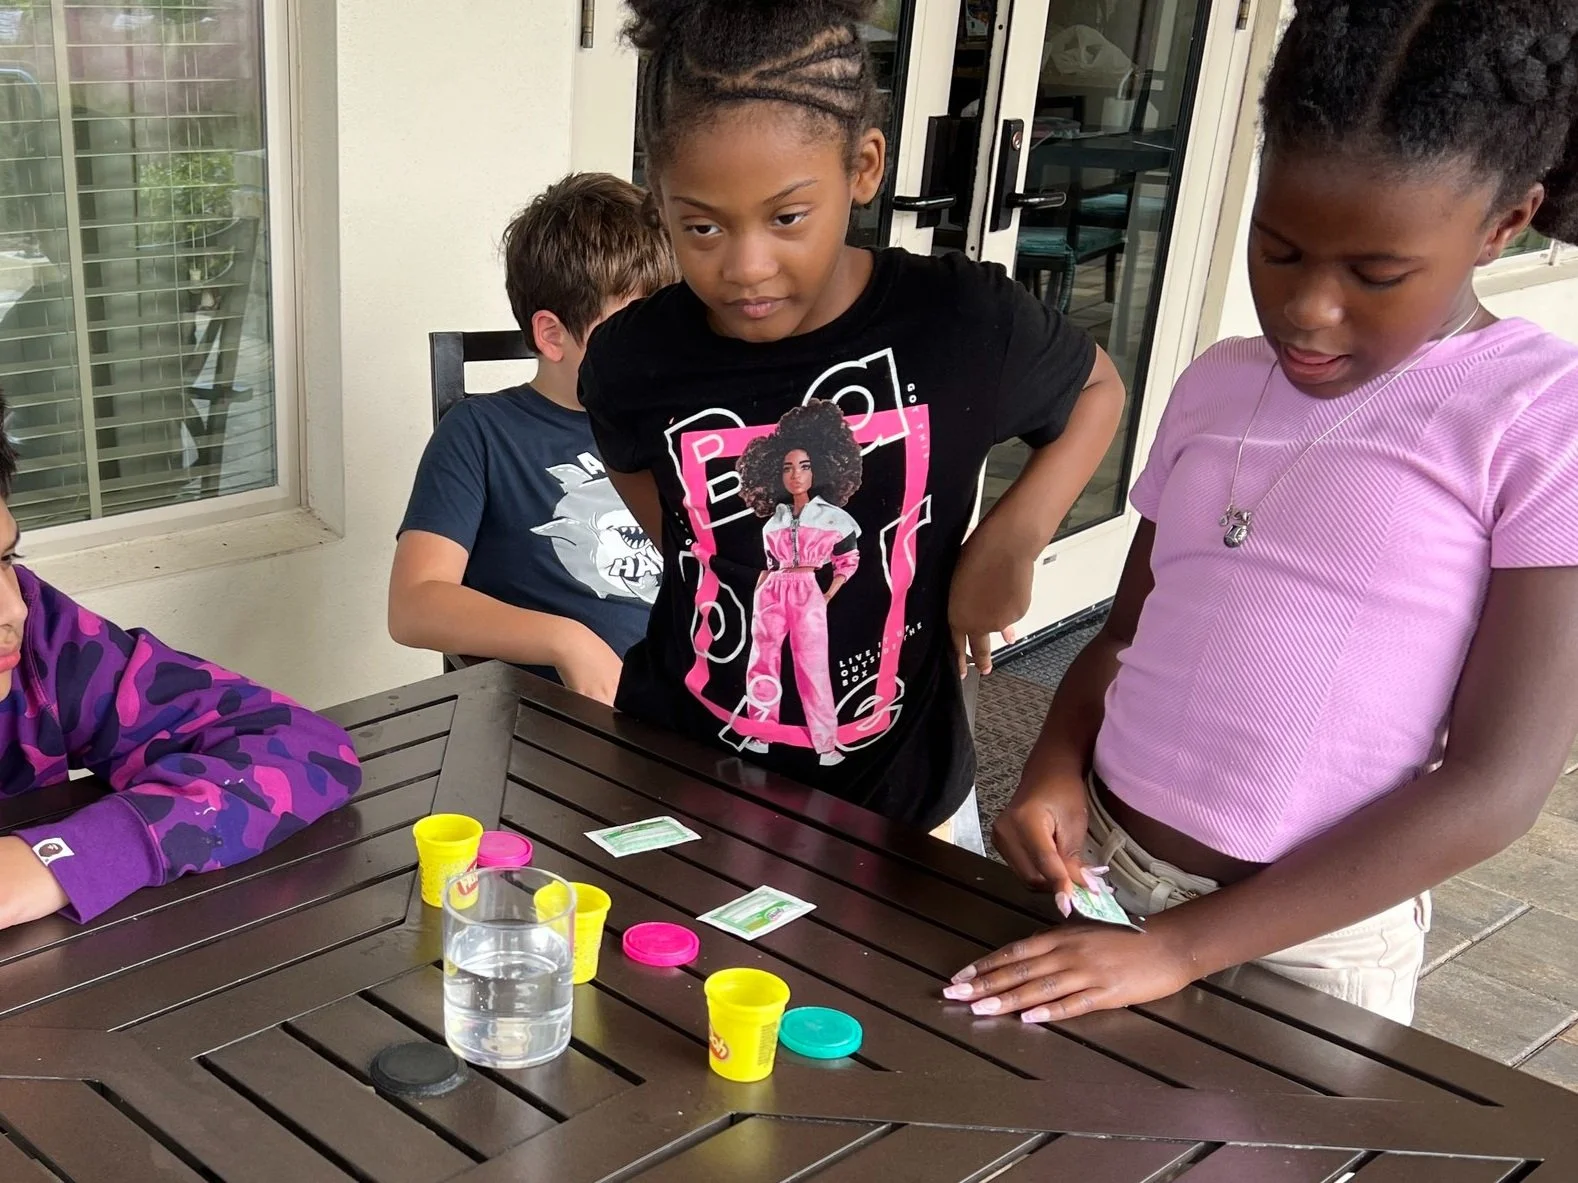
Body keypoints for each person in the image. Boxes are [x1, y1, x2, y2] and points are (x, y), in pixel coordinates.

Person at [952, 0, 1578, 1025]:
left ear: (1504, 225)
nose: (1307, 308)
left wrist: (1179, 948)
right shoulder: (1215, 383)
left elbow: (1495, 784)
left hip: (1310, 947)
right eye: (1279, 250)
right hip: (1101, 876)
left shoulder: (1541, 419)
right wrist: (1054, 768)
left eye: (1376, 275)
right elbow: (1121, 639)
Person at [579, 1, 1126, 845]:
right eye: (701, 227)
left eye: (787, 217)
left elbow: (1099, 389)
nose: (747, 265)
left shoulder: (961, 321)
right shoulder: (631, 358)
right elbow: (647, 477)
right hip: (678, 778)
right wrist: (706, 548)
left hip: (901, 802)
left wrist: (1011, 539)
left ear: (863, 166)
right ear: (659, 199)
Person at [0, 393, 362, 930]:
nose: (13, 609)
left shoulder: (44, 643)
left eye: (7, 558)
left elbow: (309, 749)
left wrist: (59, 859)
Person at [389, 172, 677, 705]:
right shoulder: (482, 434)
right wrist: (568, 642)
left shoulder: (678, 427)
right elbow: (414, 605)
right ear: (552, 335)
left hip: (691, 700)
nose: (662, 349)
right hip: (564, 723)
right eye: (636, 326)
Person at [737, 401, 864, 766]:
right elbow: (770, 562)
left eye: (805, 467)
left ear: (819, 469)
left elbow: (848, 560)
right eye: (788, 468)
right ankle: (761, 734)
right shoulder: (772, 522)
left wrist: (827, 592)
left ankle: (826, 744)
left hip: (808, 589)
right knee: (762, 662)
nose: (796, 475)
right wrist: (763, 587)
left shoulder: (834, 519)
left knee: (812, 666)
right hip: (772, 592)